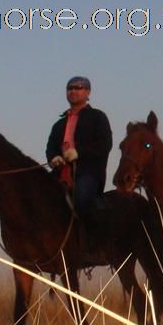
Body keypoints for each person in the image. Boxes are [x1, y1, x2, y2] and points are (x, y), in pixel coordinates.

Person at [46, 76, 112, 231]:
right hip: (61, 173)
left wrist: (79, 152)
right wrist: (53, 158)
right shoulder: (59, 124)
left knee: (82, 198)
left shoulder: (97, 117)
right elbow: (50, 147)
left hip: (88, 173)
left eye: (78, 87)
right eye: (70, 88)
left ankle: (92, 239)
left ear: (88, 92)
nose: (73, 91)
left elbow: (104, 144)